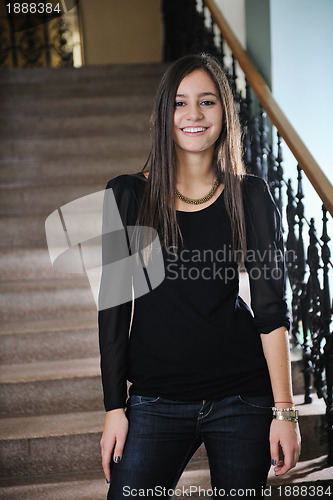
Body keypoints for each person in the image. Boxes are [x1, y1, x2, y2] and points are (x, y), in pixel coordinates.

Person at [98, 54, 301, 499]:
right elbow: (113, 311)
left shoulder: (250, 195)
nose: (193, 115)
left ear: (224, 113)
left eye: (207, 102)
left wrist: (284, 411)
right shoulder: (127, 195)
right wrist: (115, 407)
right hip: (155, 400)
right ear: (163, 114)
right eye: (180, 103)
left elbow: (270, 311)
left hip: (242, 397)